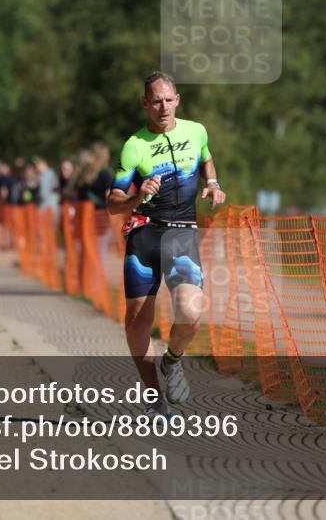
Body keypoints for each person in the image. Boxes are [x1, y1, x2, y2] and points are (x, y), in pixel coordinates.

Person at [107, 71, 226, 417]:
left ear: (178, 100)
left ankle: (172, 362)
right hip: (145, 234)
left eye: (168, 99)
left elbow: (205, 156)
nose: (163, 107)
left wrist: (214, 182)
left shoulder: (196, 130)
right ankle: (154, 398)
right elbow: (112, 202)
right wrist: (135, 197)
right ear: (145, 103)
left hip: (182, 235)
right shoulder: (135, 145)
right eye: (155, 100)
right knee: (137, 323)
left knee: (191, 313)